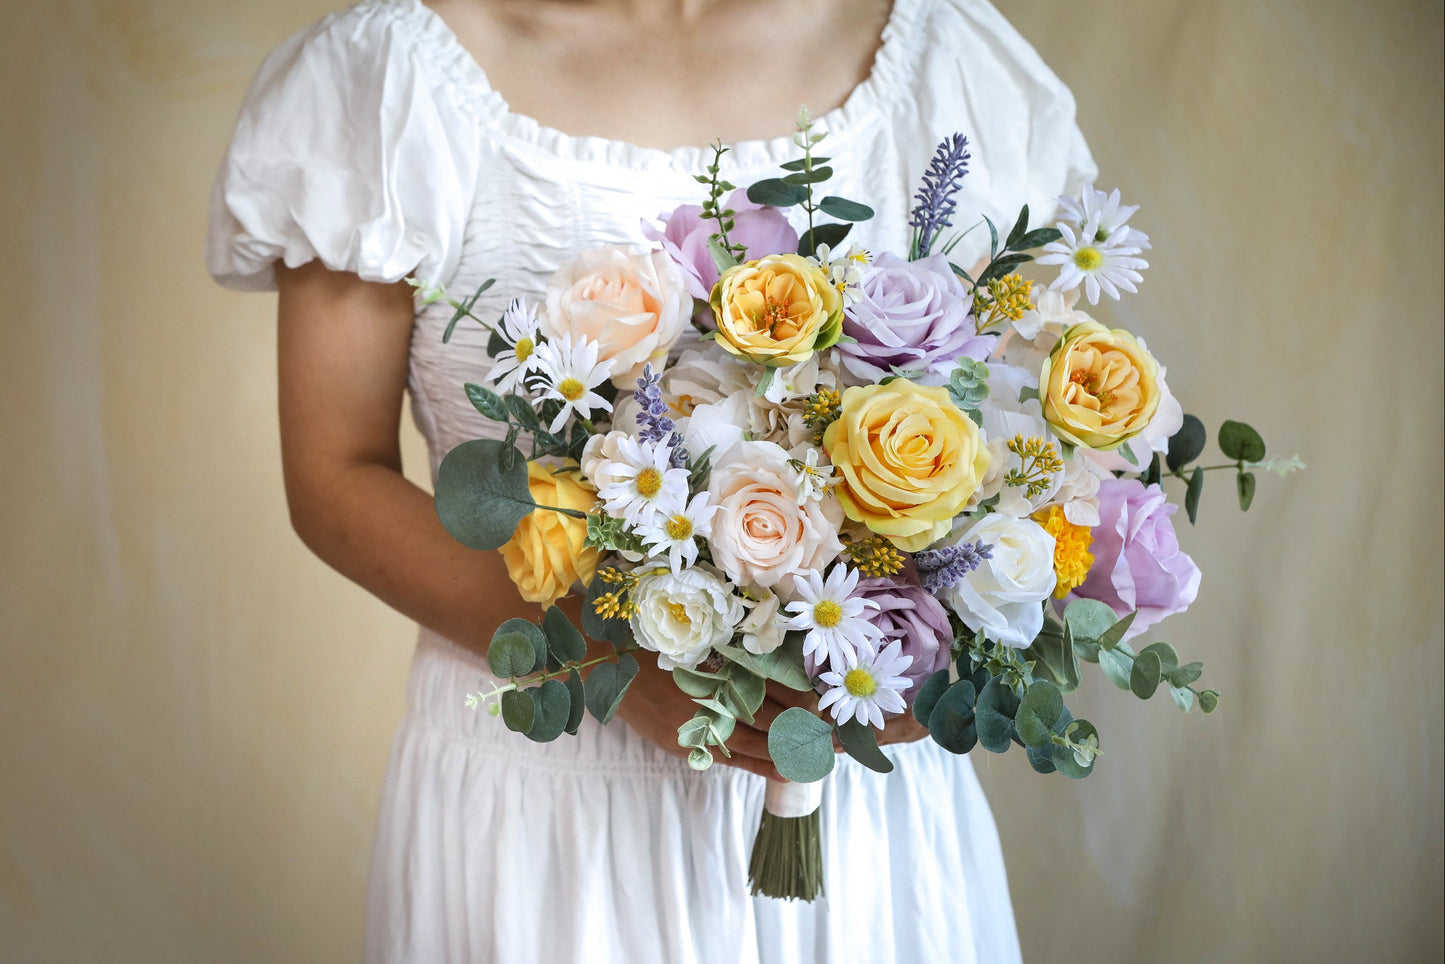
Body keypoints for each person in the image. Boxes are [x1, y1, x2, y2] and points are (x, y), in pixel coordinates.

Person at [207, 0, 1095, 960]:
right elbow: (336, 478)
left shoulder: (948, 61)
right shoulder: (390, 79)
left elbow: (1035, 448)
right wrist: (603, 659)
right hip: (542, 801)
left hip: (859, 804)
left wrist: (922, 664)